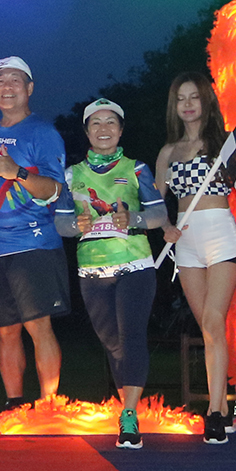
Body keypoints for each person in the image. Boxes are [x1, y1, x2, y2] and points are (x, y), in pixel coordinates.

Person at [61, 98, 168, 449]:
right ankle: (127, 406)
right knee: (112, 343)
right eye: (96, 123)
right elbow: (60, 224)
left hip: (134, 265)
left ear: (121, 130)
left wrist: (132, 218)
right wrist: (76, 225)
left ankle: (129, 415)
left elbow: (158, 215)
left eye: (111, 122)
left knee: (131, 337)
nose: (103, 129)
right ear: (87, 131)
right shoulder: (71, 174)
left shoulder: (136, 169)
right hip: (92, 269)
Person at [0, 57, 70, 413]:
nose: (7, 87)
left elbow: (55, 190)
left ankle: (49, 407)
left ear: (29, 88)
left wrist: (18, 172)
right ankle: (13, 404)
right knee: (5, 330)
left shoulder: (42, 132)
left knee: (38, 325)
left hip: (34, 244)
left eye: (15, 80)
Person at [156, 73, 236, 445]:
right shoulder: (168, 152)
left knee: (212, 320)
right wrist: (164, 227)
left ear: (206, 101)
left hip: (221, 234)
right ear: (174, 106)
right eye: (181, 98)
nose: (188, 104)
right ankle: (221, 409)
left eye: (194, 97)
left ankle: (214, 413)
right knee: (208, 330)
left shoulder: (226, 143)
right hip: (186, 242)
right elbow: (155, 202)